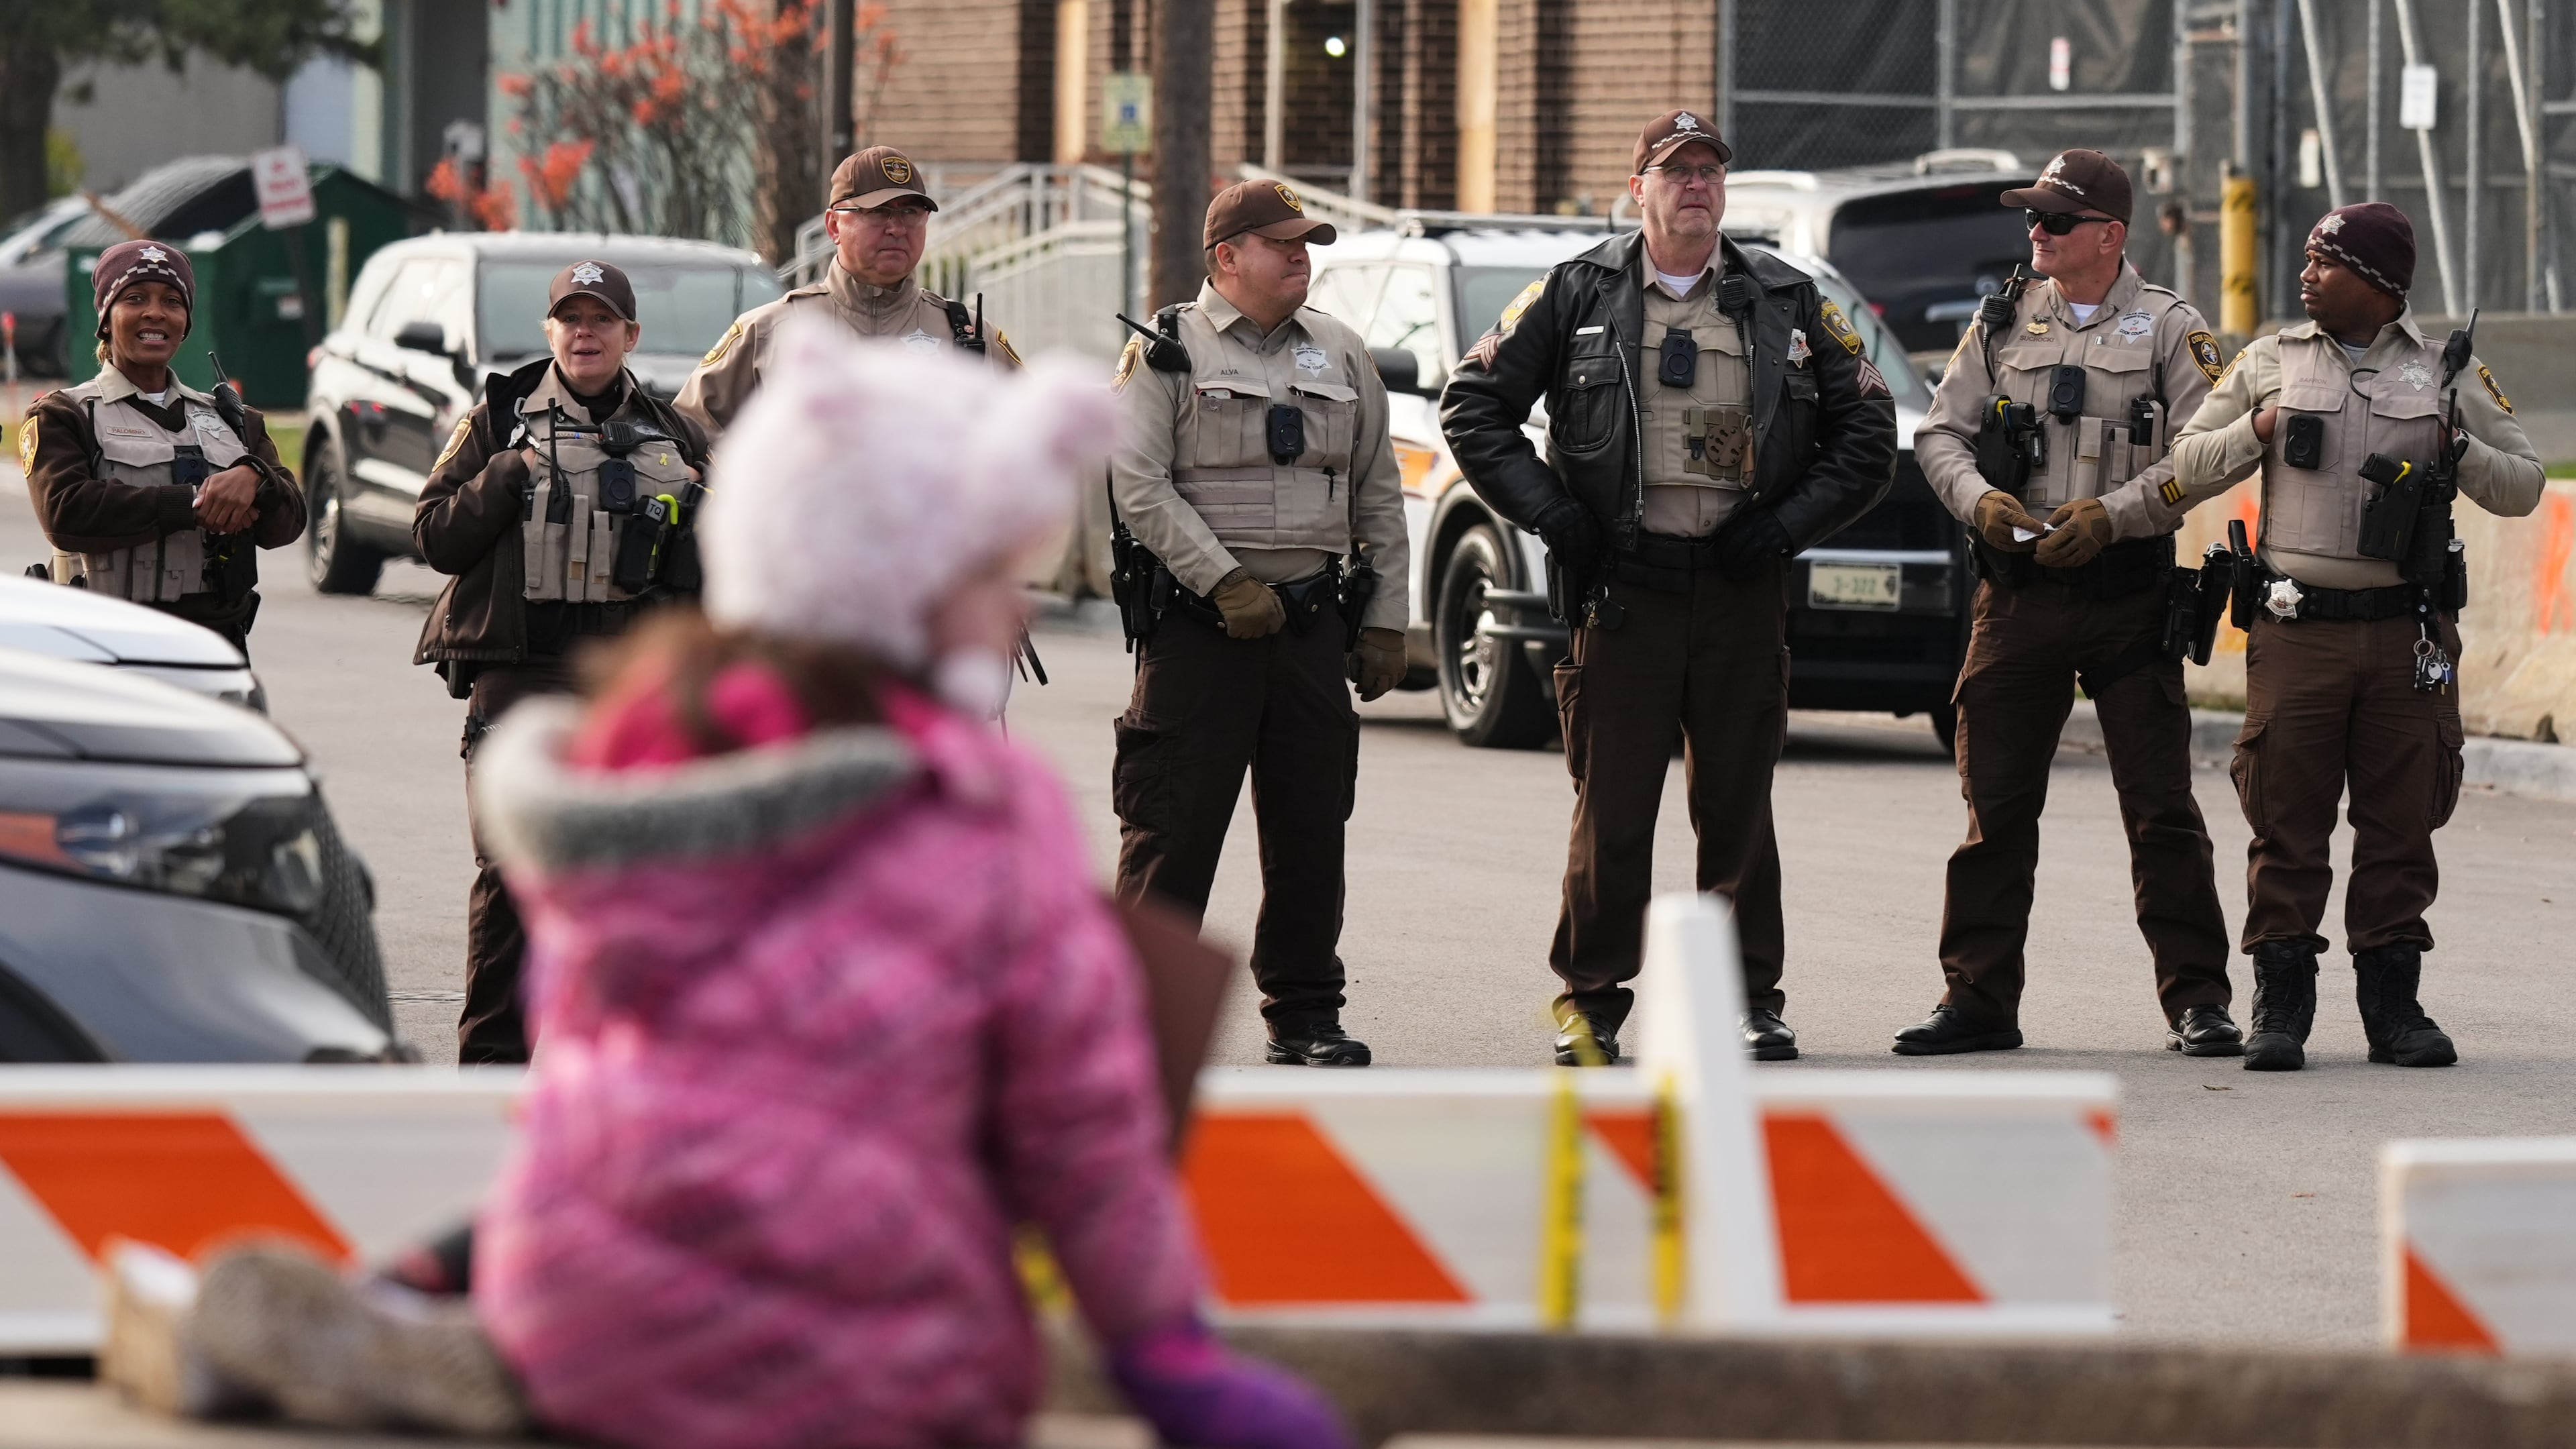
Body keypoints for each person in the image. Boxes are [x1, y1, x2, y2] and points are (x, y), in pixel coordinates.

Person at [97, 328, 1353, 1449]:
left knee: (646, 1121)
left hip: (587, 1331)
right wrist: (1166, 1358)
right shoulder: (979, 825)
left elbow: (591, 1071)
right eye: (995, 574)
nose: (1016, 603)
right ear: (925, 590)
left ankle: (408, 1295)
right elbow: (1084, 1136)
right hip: (874, 1378)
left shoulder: (635, 761)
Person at [1440, 109, 1896, 1066]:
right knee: (1612, 809)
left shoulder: (1784, 297)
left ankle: (1747, 1002)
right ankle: (1592, 1002)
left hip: (1738, 588)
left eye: (1709, 170)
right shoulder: (1578, 292)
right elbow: (1473, 404)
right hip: (1625, 589)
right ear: (1638, 187)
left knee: (1738, 806)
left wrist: (1786, 525)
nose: (1695, 184)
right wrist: (1553, 513)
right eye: (1675, 169)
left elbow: (1868, 430)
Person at [2168, 203, 2543, 1071]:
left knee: (2400, 822)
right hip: (2297, 631)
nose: (2305, 274)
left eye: (2323, 261)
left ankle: (2394, 1007)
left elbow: (2524, 483)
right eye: (2305, 259)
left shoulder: (2450, 372)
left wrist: (2459, 452)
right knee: (2286, 817)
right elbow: (2185, 464)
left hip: (2406, 637)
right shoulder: (2270, 359)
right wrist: (2255, 430)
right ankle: (2281, 1004)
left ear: (2378, 283)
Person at [1893, 150, 2239, 1058]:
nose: (2035, 232)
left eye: (2054, 220)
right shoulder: (2004, 318)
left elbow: (2207, 454)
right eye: (2032, 218)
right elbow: (1940, 433)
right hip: (2017, 600)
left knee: (2161, 810)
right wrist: (1980, 501)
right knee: (1994, 809)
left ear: (2110, 236)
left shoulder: (2171, 328)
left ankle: (2199, 1001)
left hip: (2128, 597)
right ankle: (1976, 1002)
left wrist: (2118, 515)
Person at [1105, 178, 1413, 1069]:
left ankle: (1306, 1011)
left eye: (1307, 244)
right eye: (1282, 244)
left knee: (1313, 825)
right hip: (1203, 631)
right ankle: (1136, 1024)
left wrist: (1386, 617)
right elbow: (1139, 487)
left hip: (1312, 625)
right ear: (1227, 256)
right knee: (1173, 829)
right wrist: (1226, 582)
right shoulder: (1167, 354)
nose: (1300, 257)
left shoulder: (1343, 353)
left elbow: (1376, 493)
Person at [411, 260, 712, 1065]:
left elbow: (722, 572)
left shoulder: (673, 432)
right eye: (571, 319)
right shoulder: (497, 420)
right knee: (512, 879)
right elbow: (432, 535)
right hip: (518, 677)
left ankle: (602, 1068)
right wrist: (505, 476)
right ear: (549, 333)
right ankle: (490, 1074)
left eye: (603, 320)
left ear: (630, 336)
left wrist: (695, 500)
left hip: (626, 689)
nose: (587, 333)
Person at [19, 239, 305, 649]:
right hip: (102, 645)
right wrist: (192, 504)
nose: (155, 312)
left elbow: (289, 523)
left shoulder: (234, 420)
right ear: (105, 319)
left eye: (173, 301)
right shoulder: (65, 414)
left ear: (186, 323)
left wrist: (255, 479)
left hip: (216, 645)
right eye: (135, 298)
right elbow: (66, 514)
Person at [674, 145, 1018, 437]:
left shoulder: (968, 336)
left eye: (911, 213)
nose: (897, 228)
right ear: (834, 226)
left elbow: (1033, 441)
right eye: (878, 213)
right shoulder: (770, 331)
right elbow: (686, 434)